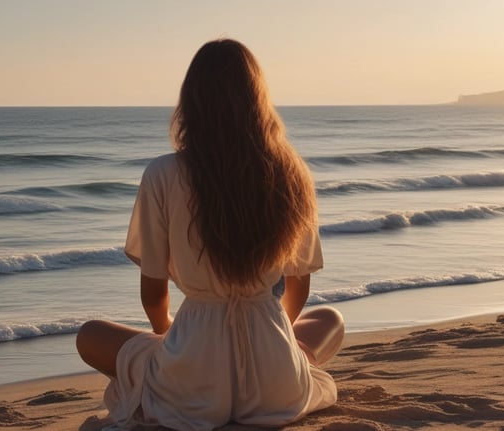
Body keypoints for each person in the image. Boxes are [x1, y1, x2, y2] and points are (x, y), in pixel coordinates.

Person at [76, 38, 344, 430]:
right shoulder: (291, 173)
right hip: (277, 379)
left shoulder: (163, 174)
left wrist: (171, 338)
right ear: (259, 99)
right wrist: (273, 340)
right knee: (331, 319)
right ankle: (292, 357)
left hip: (192, 380)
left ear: (191, 102)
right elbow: (297, 289)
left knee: (90, 335)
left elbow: (154, 296)